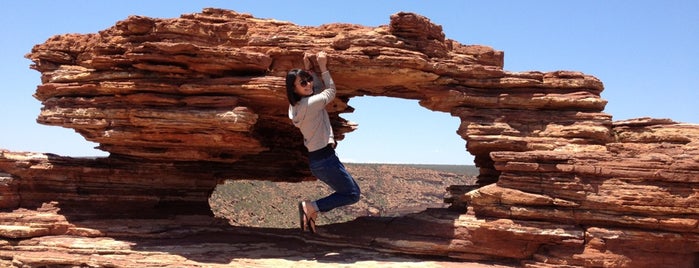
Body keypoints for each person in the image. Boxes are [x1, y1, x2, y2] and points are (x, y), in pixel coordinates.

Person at [286, 51, 361, 233]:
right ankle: (311, 207)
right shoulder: (311, 104)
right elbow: (329, 92)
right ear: (294, 89)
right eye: (302, 83)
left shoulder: (295, 107)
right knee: (352, 194)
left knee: (349, 191)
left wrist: (308, 70)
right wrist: (322, 67)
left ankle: (311, 214)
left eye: (307, 80)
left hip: (318, 161)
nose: (308, 84)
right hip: (326, 160)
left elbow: (313, 91)